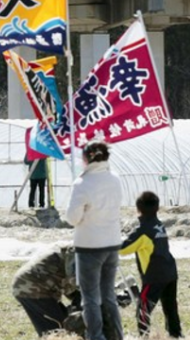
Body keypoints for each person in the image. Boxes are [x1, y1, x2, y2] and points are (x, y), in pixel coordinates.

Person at [64, 142, 123, 340]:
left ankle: (95, 336)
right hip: (112, 242)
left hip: (89, 246)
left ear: (87, 159)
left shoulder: (82, 183)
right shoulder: (115, 179)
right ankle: (116, 335)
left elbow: (73, 218)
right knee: (109, 296)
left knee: (90, 298)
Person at [119, 191, 181, 338]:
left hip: (154, 276)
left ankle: (144, 336)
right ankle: (176, 335)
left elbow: (123, 249)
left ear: (138, 209)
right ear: (157, 208)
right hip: (170, 271)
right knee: (170, 307)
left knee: (143, 309)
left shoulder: (142, 230)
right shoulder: (159, 225)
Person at [12, 242, 83, 337]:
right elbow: (77, 279)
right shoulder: (81, 248)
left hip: (38, 286)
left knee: (64, 325)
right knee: (57, 331)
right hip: (32, 287)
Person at [25, 128, 49, 210]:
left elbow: (26, 161)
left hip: (33, 175)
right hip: (42, 174)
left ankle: (31, 205)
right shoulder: (43, 150)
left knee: (33, 190)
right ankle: (41, 205)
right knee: (41, 190)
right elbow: (47, 156)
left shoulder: (30, 151)